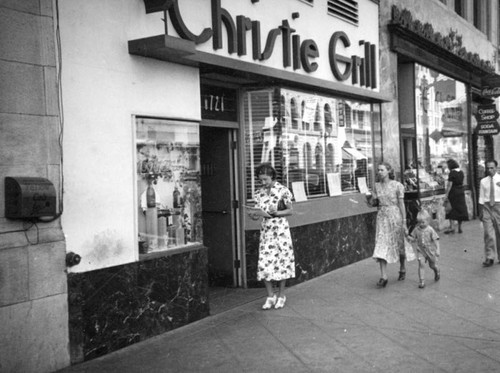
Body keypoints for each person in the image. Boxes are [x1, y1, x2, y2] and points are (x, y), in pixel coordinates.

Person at [249, 164, 295, 309]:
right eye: (260, 180)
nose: (263, 183)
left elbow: (290, 211)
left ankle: (281, 295)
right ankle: (270, 295)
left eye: (265, 179)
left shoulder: (283, 191)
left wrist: (277, 212)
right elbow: (257, 214)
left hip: (280, 230)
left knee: (282, 261)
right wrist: (254, 214)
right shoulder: (259, 193)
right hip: (266, 231)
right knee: (265, 262)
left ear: (272, 177)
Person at [366, 162, 414, 287]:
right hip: (382, 217)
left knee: (400, 244)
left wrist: (404, 222)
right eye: (378, 170)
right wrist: (369, 199)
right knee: (381, 244)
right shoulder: (376, 186)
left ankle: (402, 268)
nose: (379, 172)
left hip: (395, 215)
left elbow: (401, 204)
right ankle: (383, 276)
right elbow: (374, 203)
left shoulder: (397, 185)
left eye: (382, 170)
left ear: (388, 171)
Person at [407, 210, 440, 289]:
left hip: (430, 251)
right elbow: (413, 238)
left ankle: (437, 271)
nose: (421, 224)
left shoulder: (430, 230)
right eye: (419, 222)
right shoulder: (416, 229)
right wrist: (407, 236)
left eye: (423, 222)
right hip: (420, 250)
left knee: (432, 265)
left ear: (428, 221)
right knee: (421, 264)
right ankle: (422, 281)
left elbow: (436, 239)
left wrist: (438, 249)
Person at [478, 160, 500, 267]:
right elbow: (481, 197)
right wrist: (480, 211)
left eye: (492, 168)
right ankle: (490, 257)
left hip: (498, 206)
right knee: (488, 233)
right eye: (488, 168)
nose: (489, 170)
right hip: (487, 207)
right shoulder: (483, 181)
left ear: (496, 168)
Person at [443, 158, 469, 234]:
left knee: (451, 209)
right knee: (460, 209)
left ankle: (452, 227)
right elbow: (463, 183)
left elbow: (449, 185)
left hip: (453, 192)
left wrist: (446, 194)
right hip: (460, 191)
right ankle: (460, 227)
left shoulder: (452, 173)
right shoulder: (461, 172)